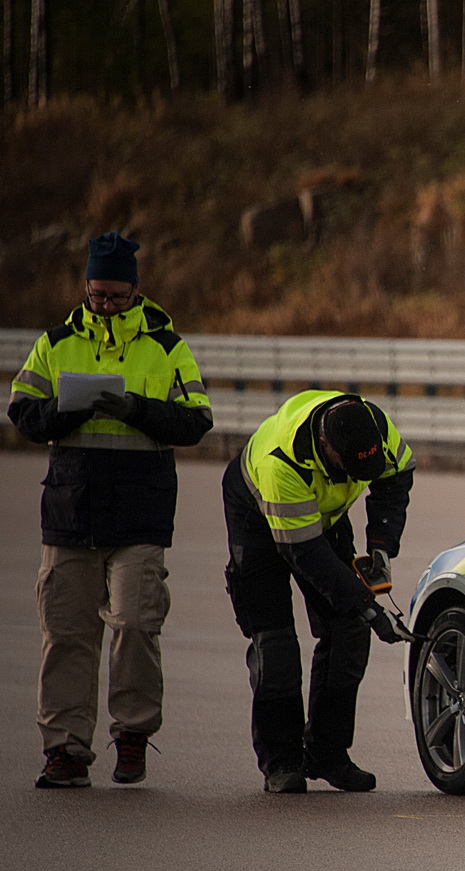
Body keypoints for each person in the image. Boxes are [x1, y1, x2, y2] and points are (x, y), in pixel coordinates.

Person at [7, 231, 213, 788]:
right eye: (98, 294)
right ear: (86, 287)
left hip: (140, 513)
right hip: (70, 512)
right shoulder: (55, 343)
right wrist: (65, 413)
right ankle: (65, 750)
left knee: (136, 625)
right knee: (67, 636)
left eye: (117, 296)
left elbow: (196, 420)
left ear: (136, 290)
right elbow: (22, 413)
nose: (105, 305)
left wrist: (136, 409)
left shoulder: (168, 347)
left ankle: (132, 736)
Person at [222, 390, 415, 793]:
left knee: (348, 634)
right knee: (275, 647)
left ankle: (327, 754)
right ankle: (282, 762)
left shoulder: (376, 429)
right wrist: (369, 608)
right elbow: (308, 556)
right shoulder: (282, 463)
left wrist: (380, 546)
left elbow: (395, 480)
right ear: (326, 448)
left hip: (324, 518)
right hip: (260, 522)